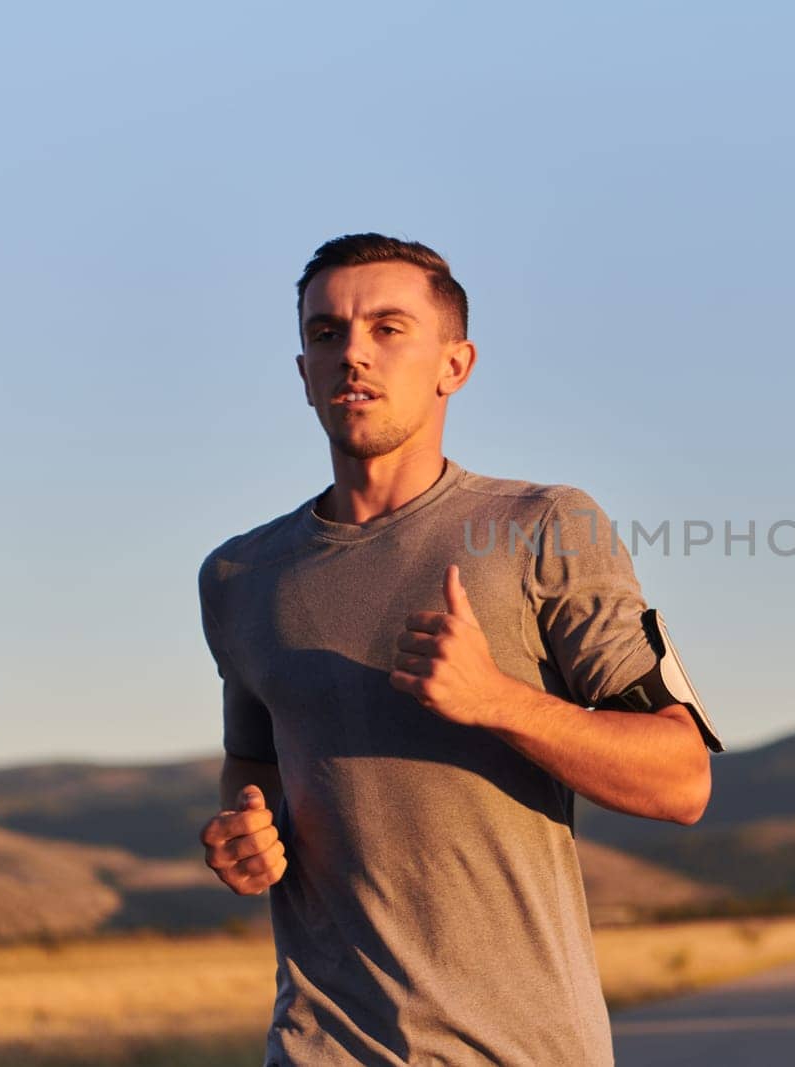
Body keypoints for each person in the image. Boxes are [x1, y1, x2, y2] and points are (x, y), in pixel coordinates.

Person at [194, 233, 723, 1066]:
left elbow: (682, 777)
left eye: (388, 328)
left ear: (455, 363)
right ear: (302, 372)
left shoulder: (542, 526)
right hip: (321, 1045)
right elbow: (251, 760)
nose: (353, 354)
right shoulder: (240, 574)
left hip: (520, 1046)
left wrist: (497, 700)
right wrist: (245, 831)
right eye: (327, 334)